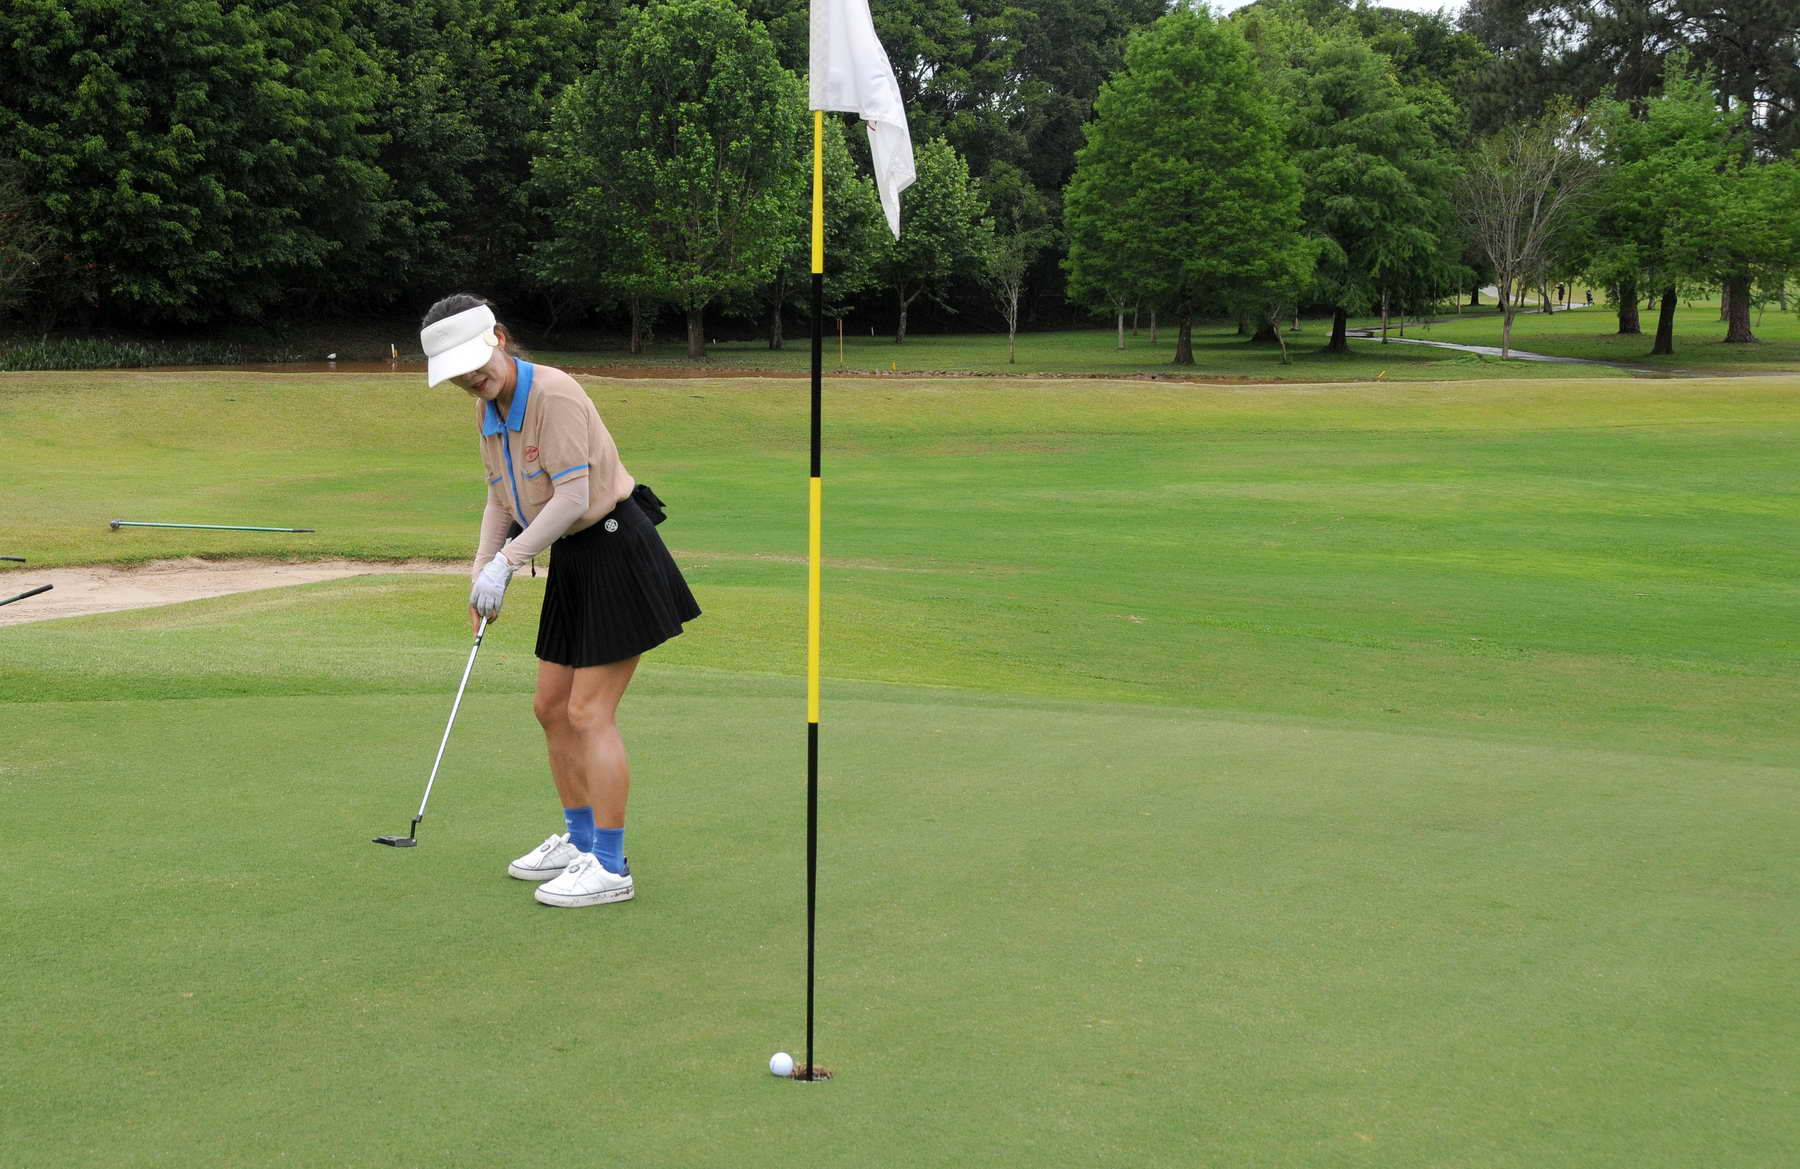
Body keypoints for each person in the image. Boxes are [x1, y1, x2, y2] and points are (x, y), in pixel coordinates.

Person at [420, 294, 700, 908]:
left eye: (474, 364)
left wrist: (508, 563)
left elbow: (572, 499)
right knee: (550, 707)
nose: (470, 379)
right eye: (458, 374)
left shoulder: (554, 394)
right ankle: (580, 841)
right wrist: (481, 571)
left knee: (589, 713)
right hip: (572, 558)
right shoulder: (488, 410)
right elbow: (500, 498)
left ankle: (611, 866)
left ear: (498, 338)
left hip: (616, 550)